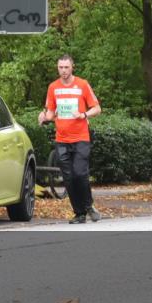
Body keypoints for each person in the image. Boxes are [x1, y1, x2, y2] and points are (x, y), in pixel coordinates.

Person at [38, 55, 102, 224]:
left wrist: (83, 114)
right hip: (62, 140)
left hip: (81, 137)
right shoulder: (53, 87)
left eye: (66, 67)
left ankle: (89, 206)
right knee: (68, 178)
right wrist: (44, 116)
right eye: (61, 67)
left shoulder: (82, 85)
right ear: (57, 68)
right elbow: (51, 112)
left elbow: (97, 108)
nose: (64, 71)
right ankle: (79, 213)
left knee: (80, 173)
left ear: (72, 67)